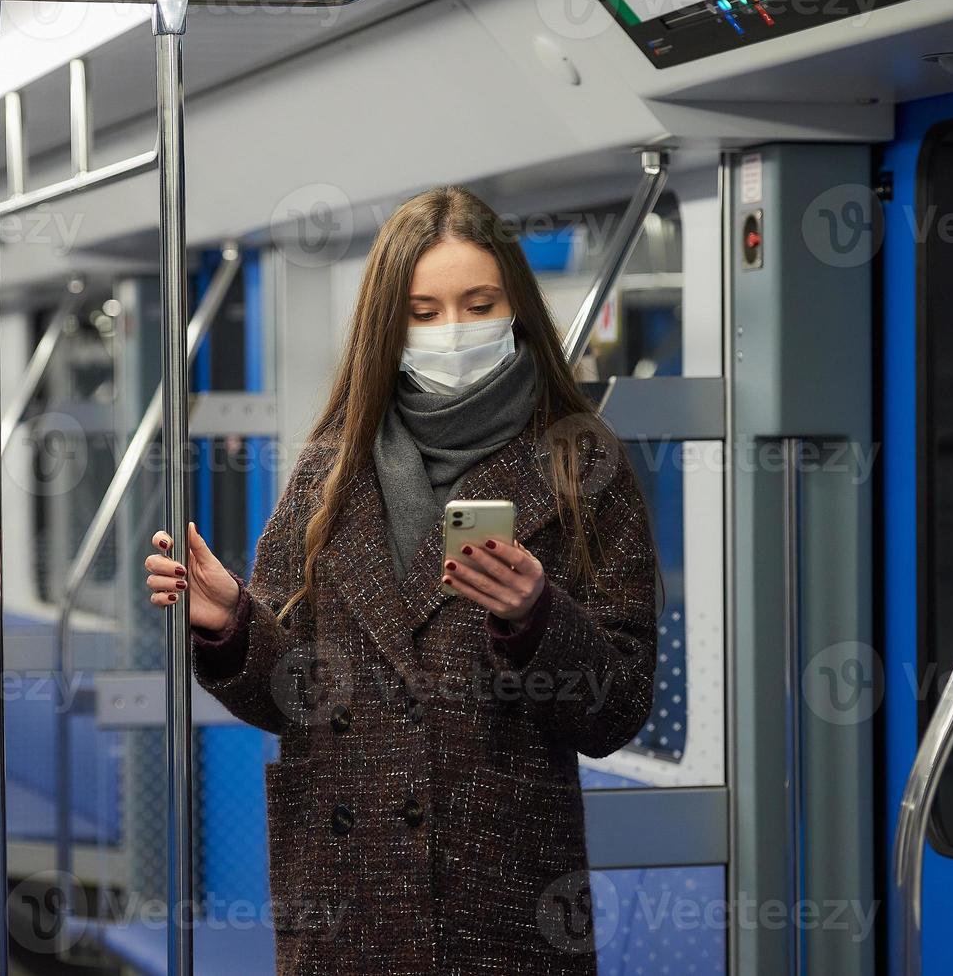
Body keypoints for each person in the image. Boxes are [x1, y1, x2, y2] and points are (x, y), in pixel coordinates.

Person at [144, 185, 658, 975]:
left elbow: (616, 709)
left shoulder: (581, 465)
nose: (453, 332)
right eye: (424, 313)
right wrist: (233, 626)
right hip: (350, 895)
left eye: (478, 303)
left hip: (504, 889)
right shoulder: (328, 472)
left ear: (515, 307)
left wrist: (536, 616)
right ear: (390, 325)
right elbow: (293, 697)